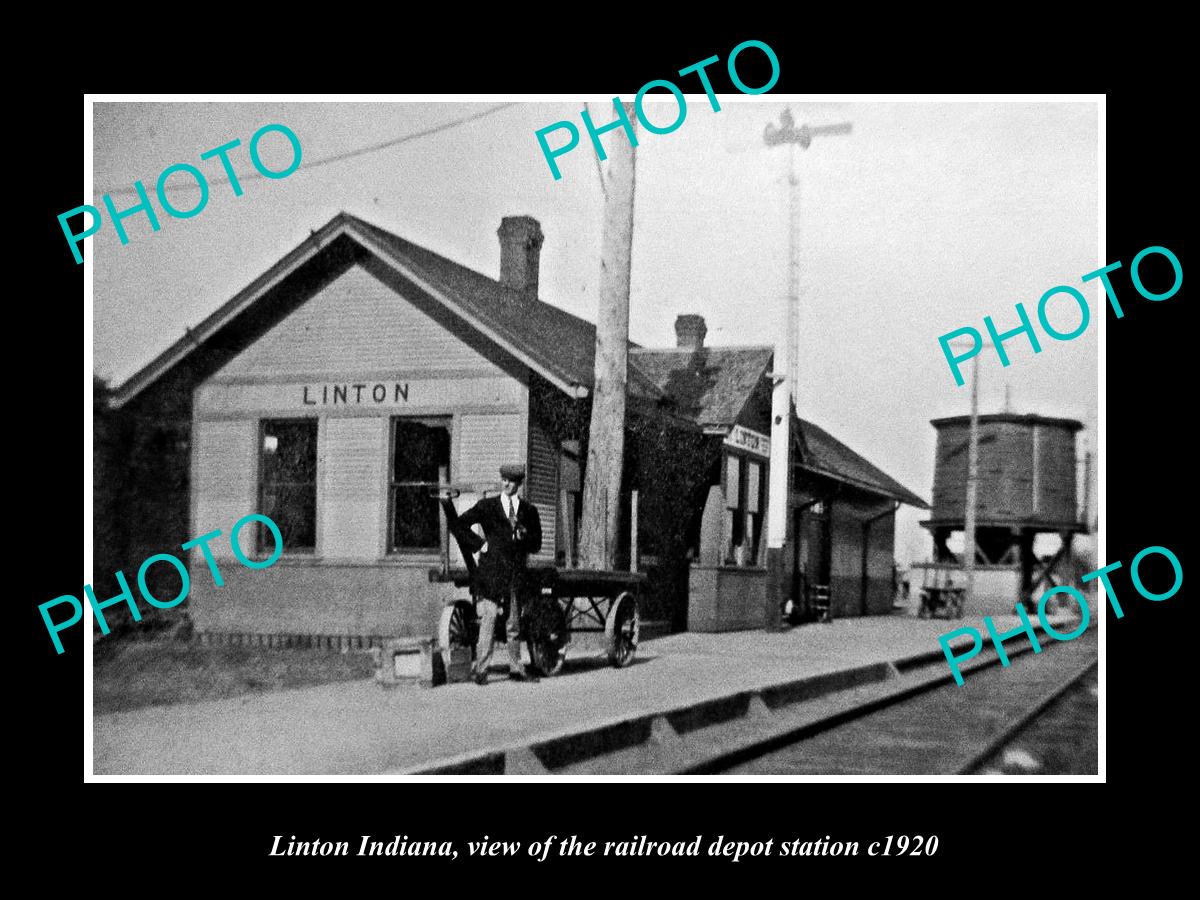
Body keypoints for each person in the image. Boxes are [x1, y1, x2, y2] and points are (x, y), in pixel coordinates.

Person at [456, 463, 543, 685]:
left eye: (511, 481)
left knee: (513, 623)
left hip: (515, 573)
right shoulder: (487, 506)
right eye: (503, 479)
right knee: (490, 618)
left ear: (519, 483)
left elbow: (536, 544)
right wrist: (479, 544)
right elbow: (459, 525)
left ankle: (516, 668)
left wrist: (525, 537)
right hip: (492, 572)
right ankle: (481, 669)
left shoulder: (528, 511)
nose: (506, 484)